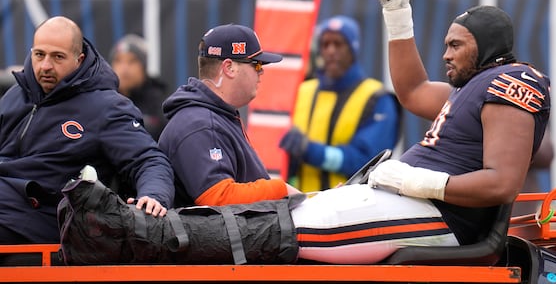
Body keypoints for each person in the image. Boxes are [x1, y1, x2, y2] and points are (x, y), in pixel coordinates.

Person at [285, 0, 551, 263]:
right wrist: (397, 14)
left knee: (280, 232)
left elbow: (502, 183)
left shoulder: (512, 79)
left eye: (456, 45)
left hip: (441, 215)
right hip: (411, 202)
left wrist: (418, 182)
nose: (445, 55)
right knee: (280, 215)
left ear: (486, 47)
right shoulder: (469, 89)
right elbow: (413, 91)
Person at [0, 16, 174, 244]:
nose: (45, 66)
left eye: (58, 57)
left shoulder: (105, 107)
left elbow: (148, 159)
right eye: (39, 55)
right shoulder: (15, 95)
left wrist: (154, 195)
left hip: (47, 217)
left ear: (79, 59)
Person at [158, 23, 301, 207]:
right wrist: (280, 190)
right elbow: (218, 197)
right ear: (229, 68)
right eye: (256, 65)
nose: (262, 71)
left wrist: (318, 200)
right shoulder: (199, 124)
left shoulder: (216, 116)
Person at [278, 15, 402, 192]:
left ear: (353, 49)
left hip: (352, 209)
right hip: (302, 205)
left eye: (338, 44)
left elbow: (368, 161)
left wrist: (311, 151)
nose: (330, 51)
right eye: (325, 44)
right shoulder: (302, 91)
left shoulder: (376, 97)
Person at [108, 34, 168, 141]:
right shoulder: (103, 99)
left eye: (132, 61)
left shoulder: (160, 103)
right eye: (118, 61)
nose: (124, 68)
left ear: (144, 67)